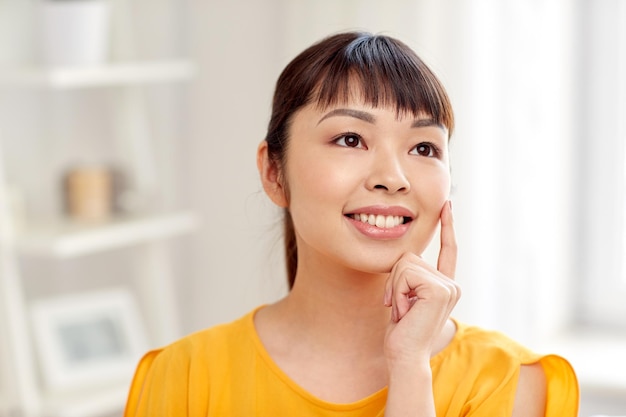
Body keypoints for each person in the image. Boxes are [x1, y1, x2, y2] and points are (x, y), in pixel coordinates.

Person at [124, 31, 579, 416]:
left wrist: (410, 369)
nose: (392, 178)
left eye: (423, 148)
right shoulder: (182, 378)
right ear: (273, 172)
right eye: (350, 138)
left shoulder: (509, 384)